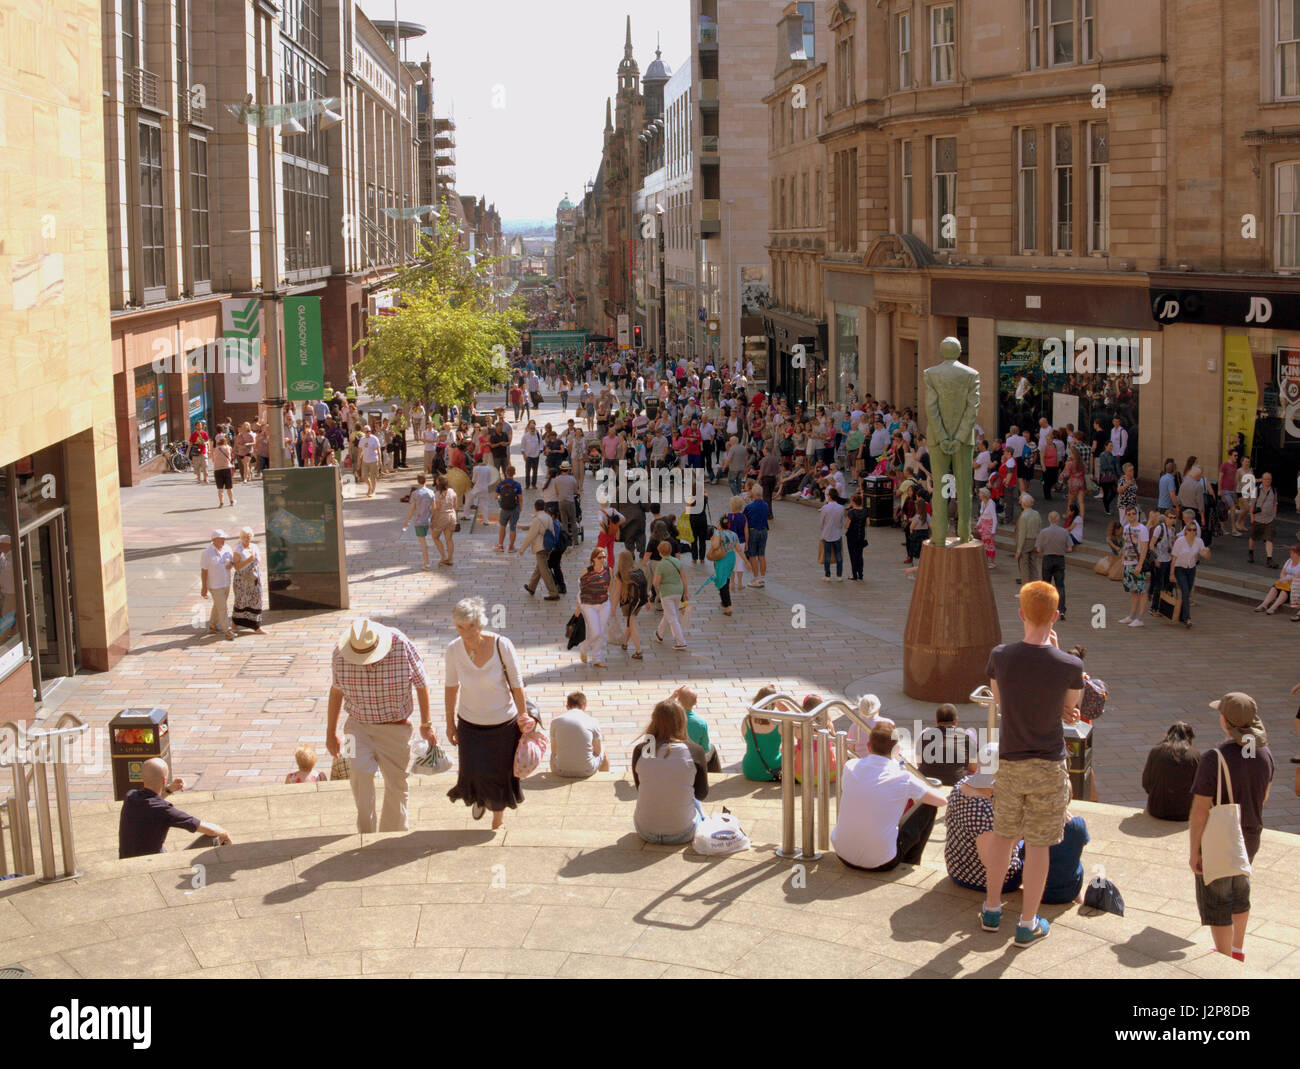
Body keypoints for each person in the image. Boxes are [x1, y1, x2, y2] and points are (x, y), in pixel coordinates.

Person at [980, 581, 1083, 948]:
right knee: (1040, 844)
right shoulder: (1071, 665)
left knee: (1003, 836)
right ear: (1055, 616)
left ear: (1021, 614)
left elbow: (1003, 703)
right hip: (1048, 763)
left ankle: (992, 910)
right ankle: (1027, 923)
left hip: (1010, 759)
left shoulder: (1001, 656)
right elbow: (1070, 711)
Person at [1188, 693, 1276, 962]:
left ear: (1225, 720)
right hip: (1250, 833)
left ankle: (1224, 958)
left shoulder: (1215, 758)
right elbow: (1264, 796)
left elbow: (1201, 811)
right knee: (1240, 891)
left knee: (1218, 898)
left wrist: (1194, 851)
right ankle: (1237, 949)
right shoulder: (1264, 754)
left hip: (1219, 837)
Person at [326, 619, 434, 834]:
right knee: (357, 775)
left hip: (396, 727)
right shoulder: (339, 652)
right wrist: (331, 732)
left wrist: (426, 723)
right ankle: (365, 832)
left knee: (397, 784)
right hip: (355, 725)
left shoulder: (401, 644)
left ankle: (392, 835)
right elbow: (336, 691)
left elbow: (422, 684)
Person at [444, 597, 534, 830]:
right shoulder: (453, 649)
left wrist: (523, 718)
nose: (466, 632)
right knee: (473, 772)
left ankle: (497, 820)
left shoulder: (501, 645)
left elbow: (516, 684)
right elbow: (451, 687)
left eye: (471, 626)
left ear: (480, 623)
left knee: (498, 775)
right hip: (469, 723)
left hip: (502, 723)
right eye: (460, 627)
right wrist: (449, 723)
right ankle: (480, 799)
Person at [832, 719, 948, 871]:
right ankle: (911, 861)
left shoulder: (850, 767)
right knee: (928, 807)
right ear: (897, 750)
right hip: (881, 861)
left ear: (868, 746)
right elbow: (941, 801)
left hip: (842, 853)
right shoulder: (902, 777)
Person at [944, 746, 1025, 895]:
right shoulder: (983, 809)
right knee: (1040, 843)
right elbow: (992, 861)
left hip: (957, 867)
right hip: (982, 879)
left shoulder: (962, 784)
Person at [631, 698, 710, 844]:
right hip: (683, 832)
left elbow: (639, 787)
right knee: (697, 804)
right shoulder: (695, 751)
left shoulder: (641, 750)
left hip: (645, 831)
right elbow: (701, 793)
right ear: (682, 721)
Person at [118, 758, 231, 858]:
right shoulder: (164, 810)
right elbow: (203, 827)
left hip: (127, 859)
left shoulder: (130, 796)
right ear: (163, 780)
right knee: (215, 837)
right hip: (155, 865)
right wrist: (224, 833)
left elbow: (151, 801)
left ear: (142, 777)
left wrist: (169, 790)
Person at [1142, 722, 1201, 821]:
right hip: (1185, 812)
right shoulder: (1195, 755)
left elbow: (1146, 783)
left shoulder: (1156, 751)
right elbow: (1200, 786)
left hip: (1157, 809)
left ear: (1168, 735)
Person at [550, 692, 610, 777]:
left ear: (567, 707)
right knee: (603, 751)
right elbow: (598, 750)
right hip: (587, 770)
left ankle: (554, 778)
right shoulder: (592, 721)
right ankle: (605, 778)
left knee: (552, 756)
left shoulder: (555, 721)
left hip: (561, 770)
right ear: (584, 706)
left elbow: (554, 751)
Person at [916, 704, 978, 786]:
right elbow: (973, 768)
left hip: (928, 782)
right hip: (955, 784)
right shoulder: (967, 737)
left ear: (937, 720)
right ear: (956, 720)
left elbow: (919, 763)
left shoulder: (924, 735)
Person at [576, 546, 618, 667]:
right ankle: (584, 648)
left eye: (604, 557)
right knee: (595, 632)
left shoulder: (608, 570)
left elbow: (611, 588)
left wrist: (614, 605)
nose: (603, 559)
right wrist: (578, 607)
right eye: (600, 557)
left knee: (601, 632)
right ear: (593, 559)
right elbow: (581, 589)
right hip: (589, 605)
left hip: (604, 604)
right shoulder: (587, 571)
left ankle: (596, 658)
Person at [1170, 513, 1210, 627]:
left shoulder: (1199, 541)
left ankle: (1183, 615)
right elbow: (1174, 558)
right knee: (1186, 591)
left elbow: (1205, 555)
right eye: (1190, 529)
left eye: (1194, 530)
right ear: (1186, 531)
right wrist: (1171, 573)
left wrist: (1208, 552)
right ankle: (1187, 618)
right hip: (1179, 568)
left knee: (1186, 593)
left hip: (1191, 569)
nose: (1192, 532)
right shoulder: (1180, 541)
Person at [1041, 813, 1090, 904]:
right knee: (1074, 856)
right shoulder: (1079, 824)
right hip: (1071, 891)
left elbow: (1024, 855)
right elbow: (1084, 841)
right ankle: (1079, 899)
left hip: (1040, 893)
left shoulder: (1037, 827)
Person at [519, 500, 562, 600]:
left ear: (535, 507)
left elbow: (531, 536)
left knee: (545, 571)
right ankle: (531, 587)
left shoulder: (537, 519)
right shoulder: (548, 517)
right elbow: (552, 532)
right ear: (544, 507)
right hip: (548, 547)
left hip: (540, 547)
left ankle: (553, 593)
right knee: (539, 568)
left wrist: (522, 549)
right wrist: (551, 547)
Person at [672, 685, 721, 772]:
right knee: (712, 748)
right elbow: (705, 748)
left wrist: (672, 697)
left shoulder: (671, 718)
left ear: (678, 700)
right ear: (695, 702)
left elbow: (661, 709)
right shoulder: (701, 723)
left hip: (675, 755)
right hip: (693, 759)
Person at [1035, 511, 1073, 620]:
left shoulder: (1043, 532)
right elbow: (1070, 548)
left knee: (1046, 585)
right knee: (1060, 586)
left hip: (1047, 558)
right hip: (1060, 559)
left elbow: (1038, 549)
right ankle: (1061, 610)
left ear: (1049, 519)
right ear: (1058, 520)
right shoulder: (1064, 532)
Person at [652, 540, 690, 650]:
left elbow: (655, 583)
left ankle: (681, 642)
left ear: (660, 552)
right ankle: (659, 634)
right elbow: (683, 578)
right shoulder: (677, 561)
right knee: (669, 613)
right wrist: (685, 593)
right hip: (678, 591)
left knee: (672, 617)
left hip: (666, 593)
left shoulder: (661, 565)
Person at [199, 529, 236, 641]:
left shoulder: (227, 548)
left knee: (218, 605)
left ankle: (212, 625)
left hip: (226, 583)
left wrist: (231, 564)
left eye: (224, 538)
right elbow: (204, 571)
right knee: (223, 607)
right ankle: (227, 630)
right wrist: (204, 587)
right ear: (214, 540)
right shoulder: (207, 552)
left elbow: (232, 561)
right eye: (221, 539)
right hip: (214, 585)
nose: (223, 540)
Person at [1118, 505, 1149, 627]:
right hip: (1127, 562)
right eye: (1129, 514)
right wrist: (1122, 559)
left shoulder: (1142, 529)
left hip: (1137, 563)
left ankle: (1140, 618)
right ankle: (1132, 615)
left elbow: (1144, 547)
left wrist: (1140, 565)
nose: (1131, 516)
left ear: (1137, 514)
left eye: (1133, 513)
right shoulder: (1126, 528)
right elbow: (1125, 544)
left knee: (1141, 590)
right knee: (1133, 590)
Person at [229, 526, 265, 634]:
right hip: (242, 580)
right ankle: (235, 623)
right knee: (241, 602)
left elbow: (258, 561)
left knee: (257, 601)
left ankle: (256, 626)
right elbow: (237, 567)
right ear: (241, 537)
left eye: (248, 536)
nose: (246, 539)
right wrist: (249, 560)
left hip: (254, 578)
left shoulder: (254, 546)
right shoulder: (238, 549)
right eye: (244, 537)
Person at [615, 549, 648, 657]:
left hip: (628, 603)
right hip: (639, 602)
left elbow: (618, 593)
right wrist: (647, 601)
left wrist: (613, 608)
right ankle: (624, 643)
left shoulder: (620, 574)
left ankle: (638, 651)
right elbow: (645, 586)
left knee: (632, 624)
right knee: (630, 622)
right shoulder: (638, 570)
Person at [1255, 542, 1300, 614]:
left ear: (1297, 554)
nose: (1290, 555)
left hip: (1294, 586)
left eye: (1292, 553)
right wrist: (1282, 579)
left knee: (1284, 591)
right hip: (1285, 582)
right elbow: (1283, 572)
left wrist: (1286, 579)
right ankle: (1264, 604)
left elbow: (1296, 577)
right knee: (1274, 588)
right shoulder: (1289, 561)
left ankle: (1274, 607)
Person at [1248, 471, 1278, 568]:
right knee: (1253, 537)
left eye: (1269, 479)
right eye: (1266, 479)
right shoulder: (1256, 490)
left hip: (1269, 520)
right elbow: (1252, 504)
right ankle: (1251, 553)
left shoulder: (1274, 490)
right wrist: (1252, 517)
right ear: (1262, 479)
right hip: (1257, 519)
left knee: (1269, 539)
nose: (1267, 481)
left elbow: (1275, 504)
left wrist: (1274, 516)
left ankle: (1269, 559)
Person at [743, 490, 771, 586]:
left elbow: (745, 518)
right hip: (763, 531)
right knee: (762, 555)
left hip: (753, 531)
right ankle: (762, 578)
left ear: (754, 494)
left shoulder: (749, 507)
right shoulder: (766, 505)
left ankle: (755, 578)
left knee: (752, 555)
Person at [494, 465, 524, 552]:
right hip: (514, 508)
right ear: (514, 473)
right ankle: (511, 547)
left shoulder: (501, 484)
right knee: (513, 527)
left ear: (506, 473)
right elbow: (520, 498)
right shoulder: (517, 485)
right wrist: (520, 508)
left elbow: (495, 496)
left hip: (504, 508)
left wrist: (502, 499)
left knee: (502, 526)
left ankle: (500, 546)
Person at [430, 474, 458, 567]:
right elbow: (455, 506)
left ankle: (443, 557)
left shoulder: (437, 494)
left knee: (435, 537)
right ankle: (450, 559)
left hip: (442, 517)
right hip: (452, 516)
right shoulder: (452, 492)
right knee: (449, 539)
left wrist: (433, 520)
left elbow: (437, 508)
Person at [1014, 493, 1042, 586]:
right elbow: (1039, 529)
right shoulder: (1036, 513)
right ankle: (1036, 585)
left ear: (1023, 504)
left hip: (1026, 541)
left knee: (1024, 565)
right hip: (1035, 540)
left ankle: (1026, 589)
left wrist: (1018, 550)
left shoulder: (1023, 516)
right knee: (1033, 564)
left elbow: (1022, 534)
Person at [820, 487, 847, 581]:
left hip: (827, 533)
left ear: (830, 496)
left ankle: (827, 575)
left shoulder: (825, 508)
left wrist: (822, 530)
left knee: (827, 555)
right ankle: (839, 575)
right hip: (837, 533)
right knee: (839, 555)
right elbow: (842, 522)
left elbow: (821, 522)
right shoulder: (841, 508)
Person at [845, 492, 869, 582]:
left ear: (853, 502)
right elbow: (868, 523)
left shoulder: (851, 513)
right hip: (861, 535)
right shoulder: (865, 511)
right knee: (860, 555)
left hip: (852, 536)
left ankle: (854, 574)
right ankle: (861, 573)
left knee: (853, 555)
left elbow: (847, 526)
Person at [212, 434, 236, 507]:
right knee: (229, 487)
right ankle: (231, 501)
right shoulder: (228, 448)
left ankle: (221, 502)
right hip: (227, 468)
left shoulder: (215, 450)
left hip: (217, 469)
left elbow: (213, 460)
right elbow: (231, 453)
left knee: (220, 488)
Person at [359, 425, 383, 497]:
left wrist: (380, 460)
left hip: (373, 460)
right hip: (365, 460)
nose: (368, 433)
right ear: (364, 432)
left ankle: (372, 491)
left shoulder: (374, 439)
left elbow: (378, 450)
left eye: (369, 431)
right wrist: (358, 461)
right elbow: (360, 451)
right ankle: (370, 486)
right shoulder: (362, 439)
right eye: (366, 431)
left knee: (373, 476)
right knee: (364, 476)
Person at [976, 487, 998, 568]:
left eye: (980, 493)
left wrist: (993, 530)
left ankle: (992, 562)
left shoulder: (991, 503)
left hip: (989, 526)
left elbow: (994, 518)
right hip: (983, 526)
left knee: (990, 544)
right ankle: (986, 560)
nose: (978, 495)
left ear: (983, 495)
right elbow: (981, 515)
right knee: (984, 543)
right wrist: (978, 524)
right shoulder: (983, 502)